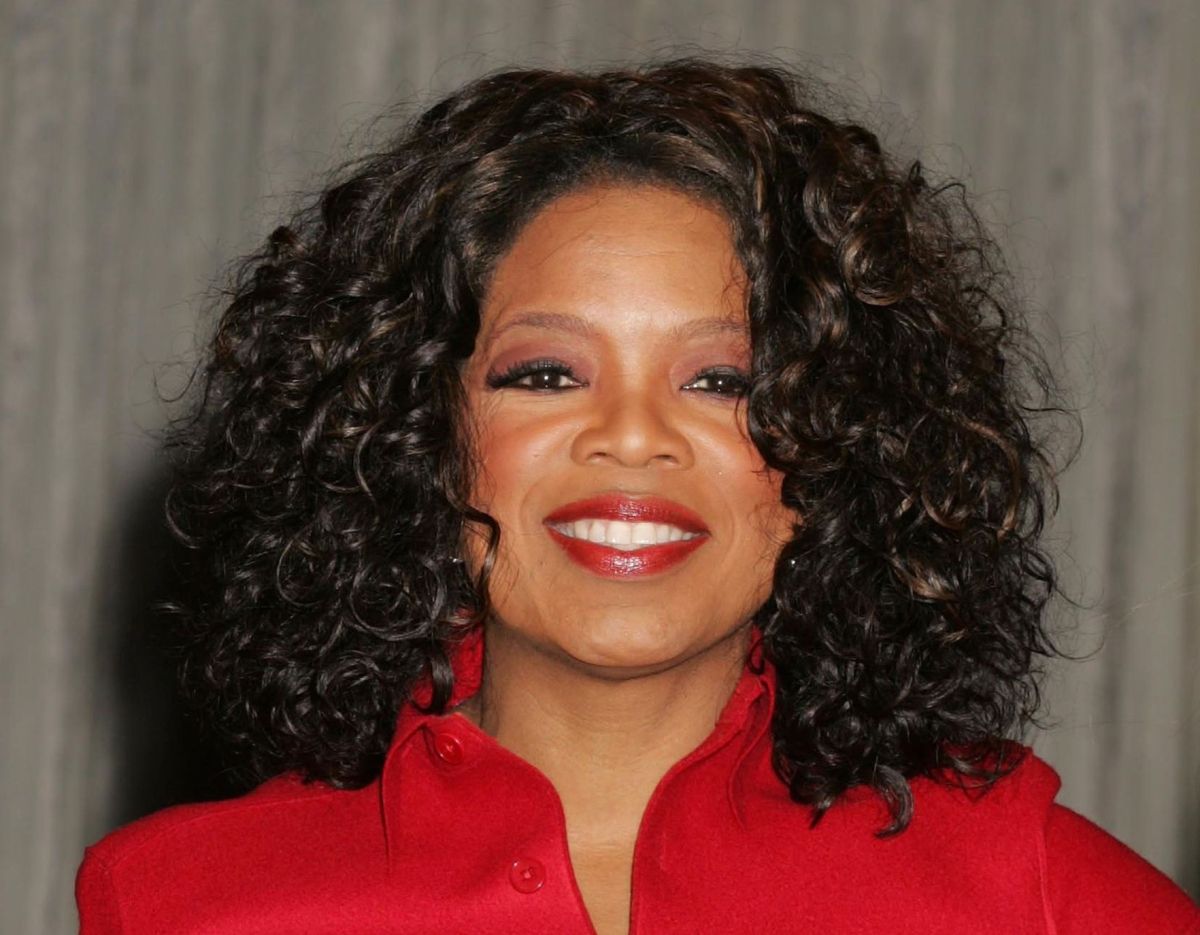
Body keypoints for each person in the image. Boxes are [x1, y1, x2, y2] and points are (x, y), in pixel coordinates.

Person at [77, 57, 1199, 934]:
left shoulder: (1033, 888)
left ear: (837, 453)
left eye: (721, 382)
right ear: (417, 432)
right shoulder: (181, 900)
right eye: (545, 373)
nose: (631, 435)